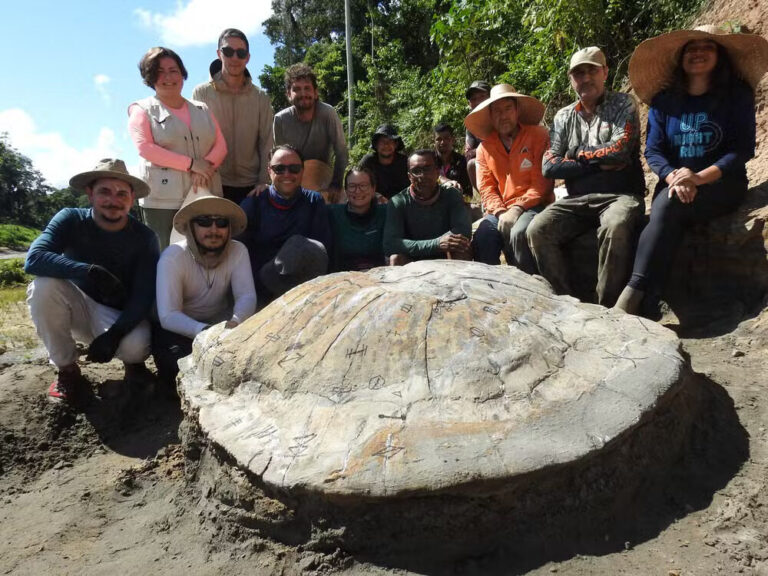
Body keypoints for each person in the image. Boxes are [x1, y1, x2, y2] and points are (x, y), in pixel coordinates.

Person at [615, 26, 768, 315]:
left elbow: (742, 149)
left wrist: (698, 177)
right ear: (680, 58)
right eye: (691, 48)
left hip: (721, 184)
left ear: (720, 55)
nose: (698, 53)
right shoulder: (664, 102)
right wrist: (675, 175)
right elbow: (653, 151)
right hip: (674, 183)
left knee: (668, 208)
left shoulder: (736, 95)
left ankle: (634, 296)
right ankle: (648, 301)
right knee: (667, 208)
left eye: (706, 47)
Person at [24, 159, 159, 409]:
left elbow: (143, 294)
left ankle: (133, 366)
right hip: (77, 302)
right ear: (90, 194)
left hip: (118, 313)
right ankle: (68, 370)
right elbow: (34, 258)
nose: (113, 200)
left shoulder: (145, 237)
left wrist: (115, 334)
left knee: (135, 349)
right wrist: (90, 271)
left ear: (131, 198)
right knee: (43, 286)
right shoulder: (70, 218)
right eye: (104, 191)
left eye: (121, 193)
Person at [526, 46, 646, 306]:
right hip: (577, 199)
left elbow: (620, 151)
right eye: (578, 73)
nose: (586, 78)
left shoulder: (623, 104)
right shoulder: (563, 116)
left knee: (616, 225)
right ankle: (566, 303)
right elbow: (549, 166)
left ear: (605, 72)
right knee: (537, 229)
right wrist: (595, 161)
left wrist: (576, 155)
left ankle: (607, 308)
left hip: (620, 195)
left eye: (592, 70)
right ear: (571, 80)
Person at [154, 191, 256, 390]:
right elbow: (168, 315)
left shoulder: (238, 251)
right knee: (177, 367)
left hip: (222, 324)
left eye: (221, 223)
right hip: (182, 329)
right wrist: (204, 332)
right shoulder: (173, 257)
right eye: (204, 222)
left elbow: (246, 295)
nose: (214, 229)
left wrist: (235, 322)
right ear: (191, 227)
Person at [129, 46, 227, 250]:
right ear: (149, 77)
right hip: (163, 201)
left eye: (173, 70)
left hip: (205, 193)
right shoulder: (141, 109)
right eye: (159, 71)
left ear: (182, 73)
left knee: (208, 252)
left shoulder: (202, 108)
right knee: (166, 256)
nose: (168, 77)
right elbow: (145, 148)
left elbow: (221, 145)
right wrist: (191, 165)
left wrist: (205, 166)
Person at [465, 84, 552, 272]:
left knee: (519, 232)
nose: (503, 116)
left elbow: (542, 182)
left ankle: (530, 286)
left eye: (507, 109)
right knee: (483, 237)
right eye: (496, 111)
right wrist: (500, 212)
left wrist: (517, 208)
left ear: (517, 110)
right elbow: (486, 189)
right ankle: (492, 290)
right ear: (490, 115)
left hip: (534, 205)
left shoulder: (539, 136)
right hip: (501, 210)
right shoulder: (484, 149)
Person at [239, 145, 331, 304]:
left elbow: (324, 250)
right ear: (269, 171)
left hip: (305, 290)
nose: (287, 174)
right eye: (279, 168)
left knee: (299, 245)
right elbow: (239, 253)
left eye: (294, 168)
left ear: (303, 171)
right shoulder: (253, 203)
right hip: (263, 289)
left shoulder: (314, 201)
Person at [192, 28, 274, 206]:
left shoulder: (261, 98)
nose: (235, 58)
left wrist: (264, 181)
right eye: (228, 52)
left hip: (252, 187)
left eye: (241, 53)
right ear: (219, 54)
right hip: (214, 182)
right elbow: (196, 139)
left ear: (248, 57)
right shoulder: (201, 93)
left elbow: (267, 141)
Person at [273, 63, 348, 203]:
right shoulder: (280, 120)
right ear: (288, 94)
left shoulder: (328, 113)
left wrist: (336, 184)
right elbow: (280, 160)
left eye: (307, 88)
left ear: (315, 92)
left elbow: (341, 151)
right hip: (294, 180)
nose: (303, 94)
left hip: (324, 180)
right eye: (296, 89)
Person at [383, 150, 473, 264]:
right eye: (416, 171)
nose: (422, 176)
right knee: (396, 258)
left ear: (437, 171)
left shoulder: (452, 195)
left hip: (446, 254)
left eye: (427, 169)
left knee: (462, 250)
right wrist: (436, 244)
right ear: (409, 176)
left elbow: (463, 230)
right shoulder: (397, 202)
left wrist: (441, 245)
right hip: (413, 258)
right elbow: (391, 244)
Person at [328, 166, 387, 271]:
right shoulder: (332, 213)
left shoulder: (386, 213)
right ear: (345, 190)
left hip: (380, 276)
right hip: (342, 278)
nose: (357, 191)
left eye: (363, 185)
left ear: (373, 189)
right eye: (352, 186)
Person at [359, 124, 409, 200]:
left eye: (390, 141)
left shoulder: (405, 162)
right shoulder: (368, 162)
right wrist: (375, 196)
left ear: (396, 145)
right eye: (382, 141)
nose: (386, 145)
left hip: (402, 203)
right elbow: (359, 184)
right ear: (376, 145)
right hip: (374, 203)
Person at [434, 123, 472, 202]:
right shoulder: (429, 160)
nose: (442, 142)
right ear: (434, 141)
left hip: (456, 203)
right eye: (439, 139)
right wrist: (442, 179)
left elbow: (468, 193)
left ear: (453, 140)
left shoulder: (462, 161)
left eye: (446, 138)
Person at [465, 80, 491, 192]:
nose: (478, 101)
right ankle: (485, 197)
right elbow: (468, 153)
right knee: (471, 164)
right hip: (485, 161)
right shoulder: (471, 123)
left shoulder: (500, 113)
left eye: (482, 96)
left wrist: (480, 149)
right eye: (473, 99)